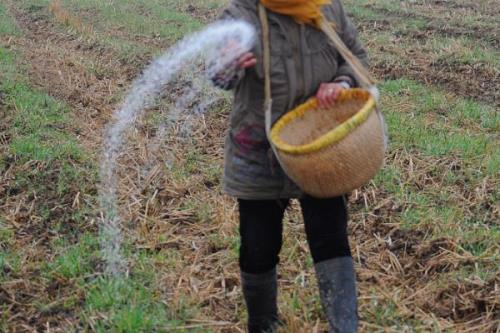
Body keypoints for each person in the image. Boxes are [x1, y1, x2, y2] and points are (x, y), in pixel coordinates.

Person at [212, 0, 369, 332]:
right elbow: (218, 75)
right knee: (258, 246)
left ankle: (345, 326)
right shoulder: (241, 14)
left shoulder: (326, 7)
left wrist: (341, 83)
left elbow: (354, 58)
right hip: (259, 151)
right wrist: (228, 65)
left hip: (321, 145)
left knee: (330, 238)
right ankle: (263, 323)